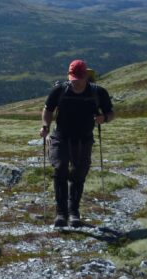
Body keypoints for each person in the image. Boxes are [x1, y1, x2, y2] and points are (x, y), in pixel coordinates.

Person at [39, 59, 115, 228]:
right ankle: (61, 213)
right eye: (72, 77)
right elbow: (48, 110)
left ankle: (74, 212)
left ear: (86, 76)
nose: (75, 81)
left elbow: (111, 113)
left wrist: (104, 119)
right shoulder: (60, 90)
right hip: (61, 137)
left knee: (79, 175)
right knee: (60, 168)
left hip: (84, 139)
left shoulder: (98, 92)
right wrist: (45, 126)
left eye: (78, 77)